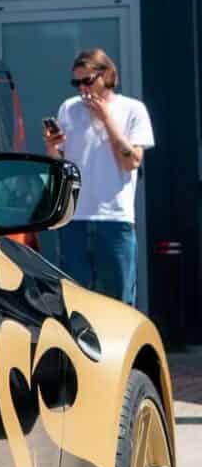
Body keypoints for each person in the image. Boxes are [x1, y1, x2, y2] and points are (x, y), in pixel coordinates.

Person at [43, 46, 152, 305]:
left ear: (107, 76)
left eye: (88, 81)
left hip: (114, 220)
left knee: (119, 301)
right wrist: (51, 146)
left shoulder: (132, 109)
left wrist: (106, 119)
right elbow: (60, 166)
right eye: (76, 83)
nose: (82, 89)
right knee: (75, 302)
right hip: (74, 219)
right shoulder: (69, 108)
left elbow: (132, 162)